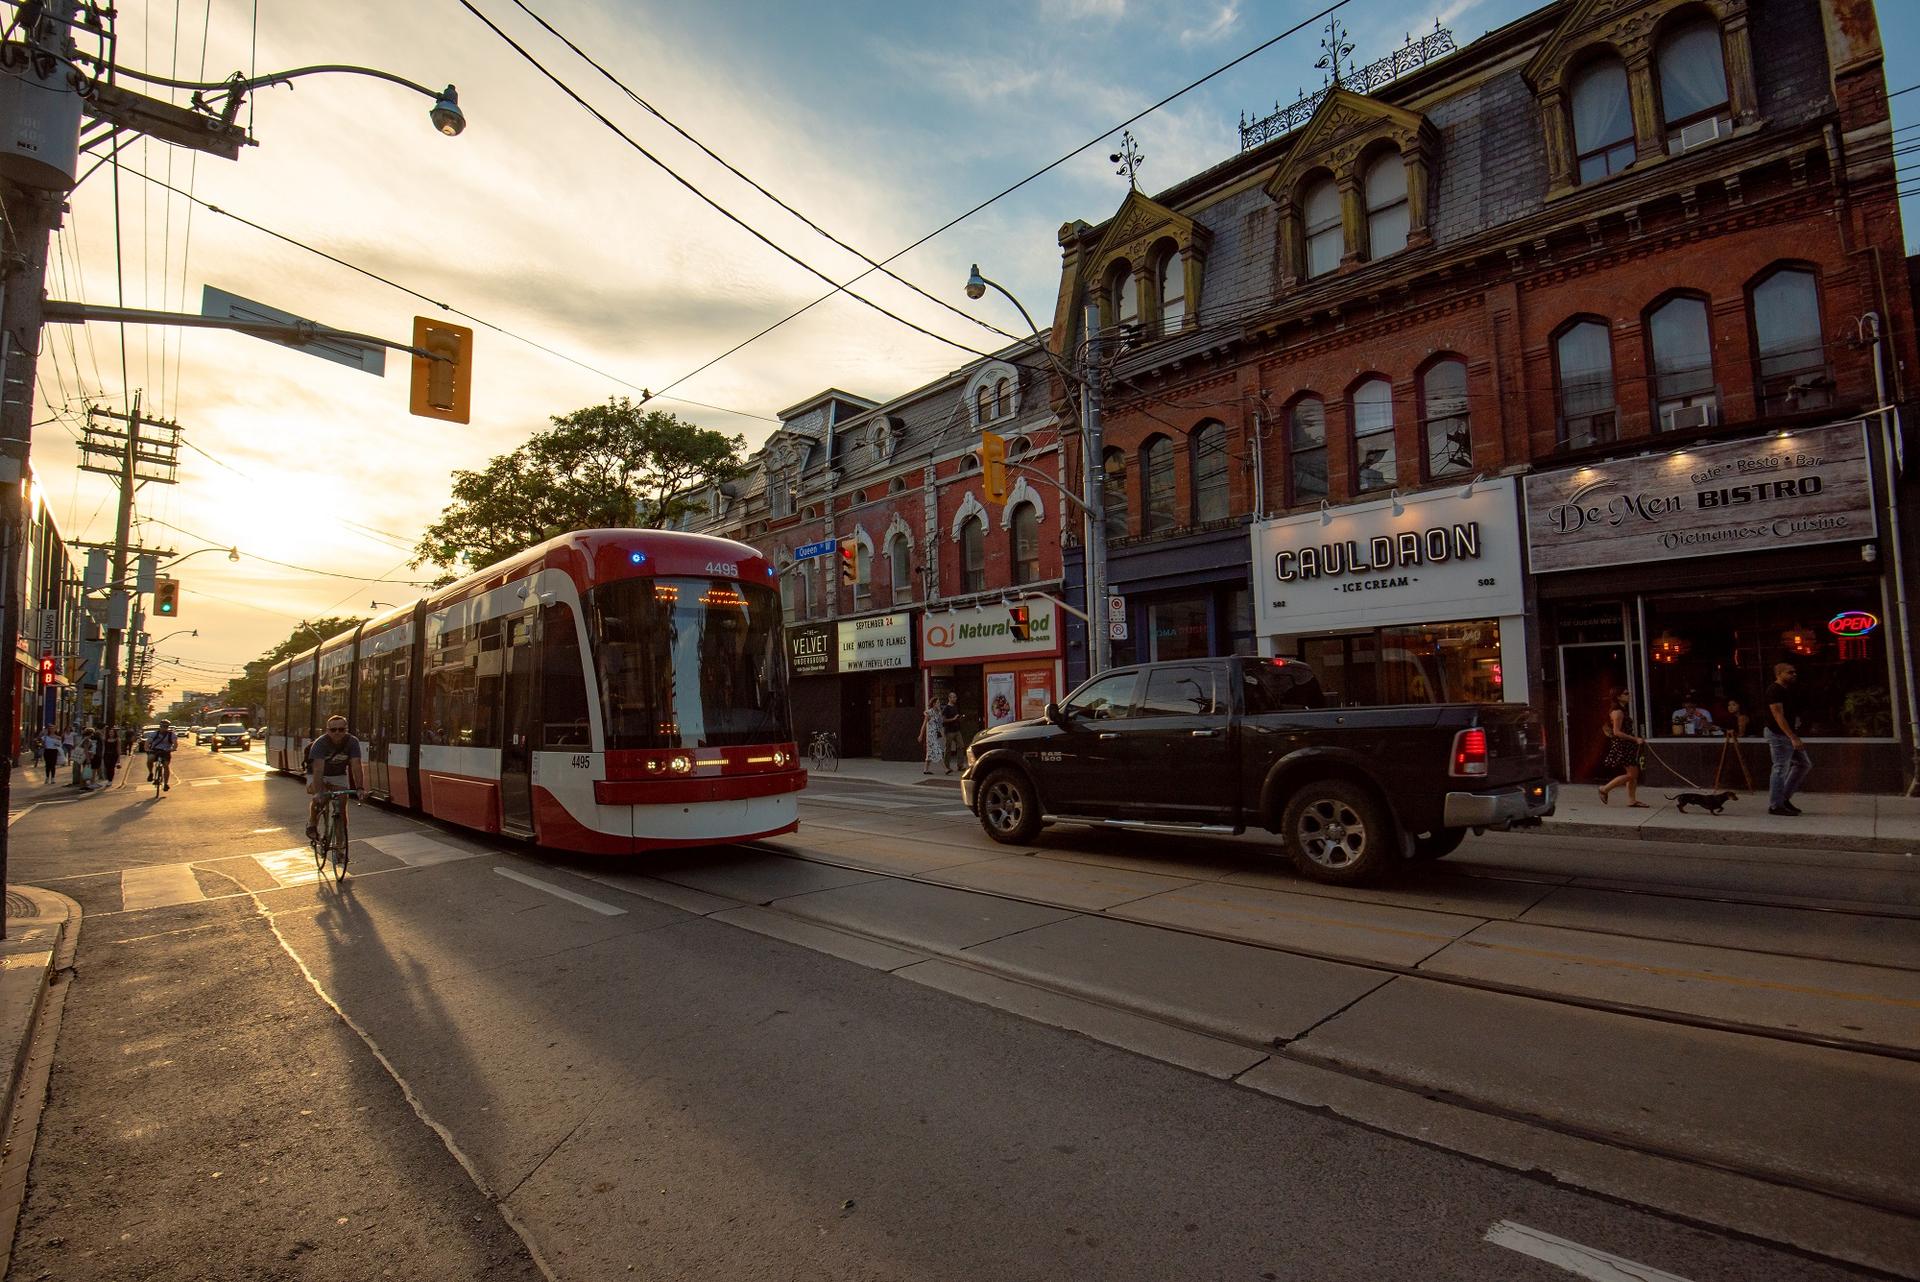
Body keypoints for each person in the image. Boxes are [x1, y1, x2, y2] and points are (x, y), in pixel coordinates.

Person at [306, 715, 367, 840]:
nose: (337, 732)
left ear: (346, 729)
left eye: (341, 729)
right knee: (320, 799)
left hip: (338, 775)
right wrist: (319, 792)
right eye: (333, 730)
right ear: (327, 730)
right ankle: (312, 823)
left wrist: (360, 788)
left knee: (342, 807)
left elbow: (356, 765)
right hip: (318, 774)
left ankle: (341, 844)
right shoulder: (320, 743)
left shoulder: (352, 742)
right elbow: (318, 770)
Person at [1764, 661, 1811, 816]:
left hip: (1787, 733)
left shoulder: (1787, 690)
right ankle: (1776, 805)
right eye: (1789, 672)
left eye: (1794, 672)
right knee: (1779, 768)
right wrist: (1793, 737)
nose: (1793, 674)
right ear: (1779, 674)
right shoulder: (1774, 690)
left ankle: (1783, 799)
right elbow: (1778, 715)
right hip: (1778, 734)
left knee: (1804, 764)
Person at [1597, 688, 1647, 807]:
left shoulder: (1622, 710)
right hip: (1622, 745)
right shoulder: (1618, 712)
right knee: (1632, 775)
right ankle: (1604, 789)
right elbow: (1617, 732)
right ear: (1618, 696)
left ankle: (1632, 800)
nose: (1629, 695)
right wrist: (1635, 739)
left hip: (1627, 745)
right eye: (1626, 693)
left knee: (1633, 774)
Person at [940, 691, 970, 774]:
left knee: (961, 746)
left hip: (957, 730)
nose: (955, 698)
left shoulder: (955, 707)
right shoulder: (946, 708)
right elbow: (943, 720)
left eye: (955, 697)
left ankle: (960, 765)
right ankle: (947, 766)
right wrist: (953, 719)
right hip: (949, 731)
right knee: (948, 748)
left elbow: (956, 717)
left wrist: (959, 719)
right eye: (953, 697)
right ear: (949, 698)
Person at [147, 720, 179, 788]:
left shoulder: (171, 734)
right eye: (163, 726)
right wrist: (147, 748)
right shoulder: (154, 734)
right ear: (160, 726)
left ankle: (166, 784)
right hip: (155, 750)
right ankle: (150, 773)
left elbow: (175, 743)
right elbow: (147, 742)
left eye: (166, 726)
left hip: (166, 751)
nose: (164, 728)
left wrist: (173, 748)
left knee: (166, 766)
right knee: (150, 759)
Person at [918, 698, 946, 776]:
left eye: (939, 703)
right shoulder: (929, 713)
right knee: (938, 751)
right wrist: (921, 734)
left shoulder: (938, 713)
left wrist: (942, 734)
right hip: (930, 736)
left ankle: (926, 769)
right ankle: (945, 769)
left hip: (935, 735)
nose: (939, 704)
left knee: (929, 754)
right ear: (933, 704)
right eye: (937, 703)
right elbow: (924, 725)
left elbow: (940, 724)